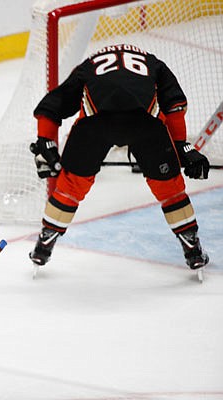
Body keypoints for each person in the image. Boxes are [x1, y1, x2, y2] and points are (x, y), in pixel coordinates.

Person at [28, 43, 210, 272]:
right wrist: (181, 146)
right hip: (144, 125)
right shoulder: (153, 62)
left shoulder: (89, 65)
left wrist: (47, 141)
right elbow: (174, 105)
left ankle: (46, 241)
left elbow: (51, 106)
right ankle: (191, 246)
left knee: (70, 186)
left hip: (95, 126)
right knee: (170, 188)